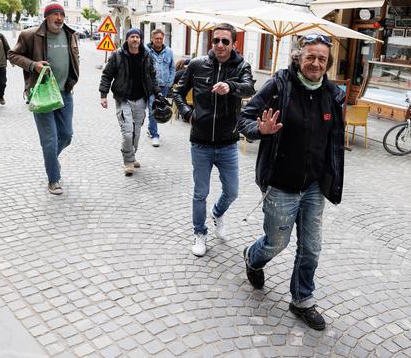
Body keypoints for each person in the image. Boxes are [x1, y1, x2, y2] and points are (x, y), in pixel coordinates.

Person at [237, 33, 346, 330]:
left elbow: (334, 142)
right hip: (281, 184)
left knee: (311, 248)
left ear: (328, 63)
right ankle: (253, 256)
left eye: (322, 59)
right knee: (277, 243)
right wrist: (261, 129)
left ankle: (302, 300)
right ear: (298, 58)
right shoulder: (279, 87)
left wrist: (332, 178)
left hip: (313, 187)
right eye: (310, 56)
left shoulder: (334, 95)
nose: (316, 63)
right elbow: (244, 119)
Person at [173, 23, 255, 257]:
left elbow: (249, 89)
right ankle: (200, 233)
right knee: (200, 193)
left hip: (228, 142)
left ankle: (218, 213)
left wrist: (230, 86)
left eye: (225, 41)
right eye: (216, 40)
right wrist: (187, 114)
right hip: (200, 142)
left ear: (234, 44)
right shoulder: (197, 64)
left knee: (232, 191)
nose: (220, 45)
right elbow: (178, 91)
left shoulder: (241, 66)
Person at [8, 3, 80, 195]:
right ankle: (53, 179)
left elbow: (74, 59)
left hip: (65, 91)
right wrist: (33, 65)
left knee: (66, 135)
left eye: (62, 14)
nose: (59, 18)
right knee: (49, 139)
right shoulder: (30, 35)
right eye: (55, 14)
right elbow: (12, 55)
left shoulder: (71, 34)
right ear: (46, 17)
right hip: (41, 93)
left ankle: (51, 161)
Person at [99, 29, 164, 175]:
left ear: (140, 39)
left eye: (137, 37)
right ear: (127, 39)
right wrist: (103, 95)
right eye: (132, 37)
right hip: (123, 98)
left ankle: (132, 155)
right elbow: (107, 75)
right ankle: (128, 162)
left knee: (137, 132)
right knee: (128, 132)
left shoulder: (146, 56)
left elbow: (152, 76)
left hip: (141, 99)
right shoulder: (117, 55)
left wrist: (158, 92)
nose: (135, 39)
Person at [145, 29, 175, 147]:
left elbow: (172, 68)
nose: (158, 40)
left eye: (160, 38)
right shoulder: (146, 51)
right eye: (156, 38)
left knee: (160, 108)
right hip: (151, 85)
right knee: (153, 107)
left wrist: (170, 82)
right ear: (152, 39)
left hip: (164, 85)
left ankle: (150, 128)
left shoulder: (169, 51)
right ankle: (155, 135)